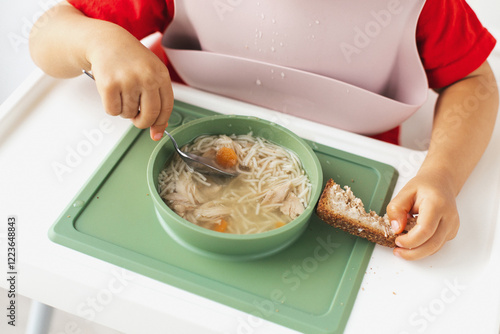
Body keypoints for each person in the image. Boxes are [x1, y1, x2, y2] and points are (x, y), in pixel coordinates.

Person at [29, 0, 498, 260]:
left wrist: (443, 175)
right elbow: (49, 33)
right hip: (166, 135)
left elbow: (473, 81)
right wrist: (97, 40)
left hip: (355, 177)